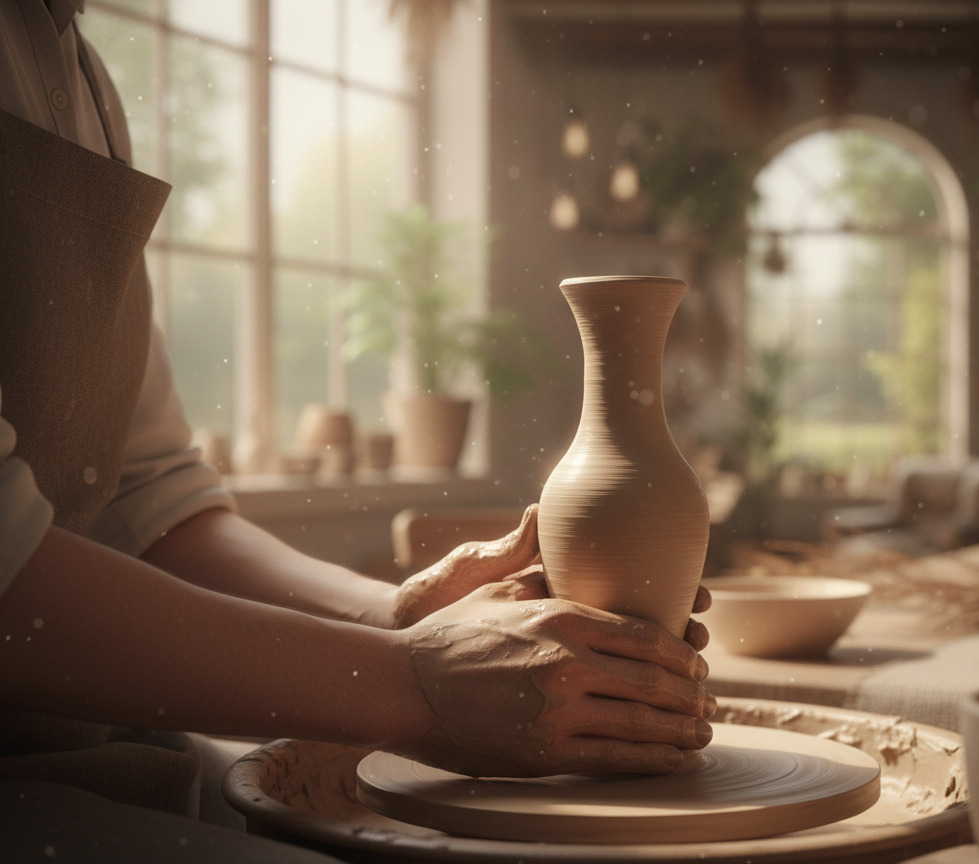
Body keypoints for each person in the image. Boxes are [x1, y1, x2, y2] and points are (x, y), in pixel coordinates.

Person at [0, 0, 715, 852]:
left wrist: (401, 618)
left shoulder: (80, 72)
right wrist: (415, 686)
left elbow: (147, 502)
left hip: (87, 738)